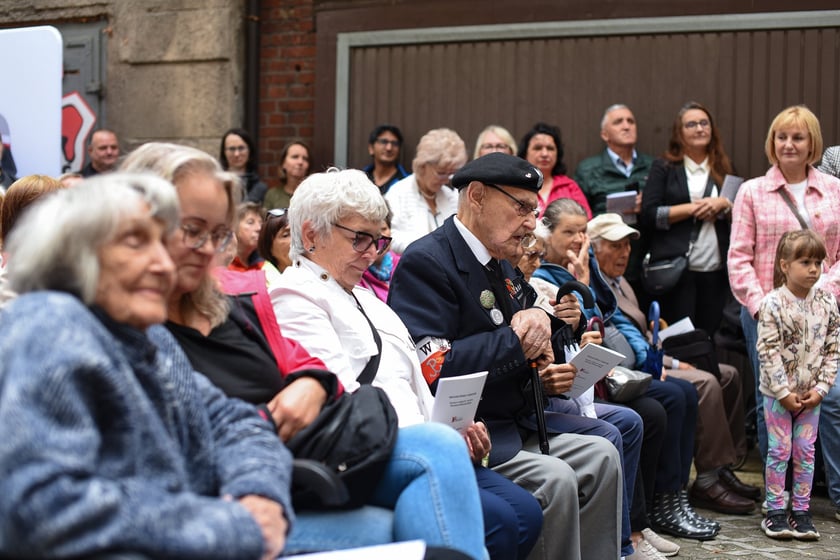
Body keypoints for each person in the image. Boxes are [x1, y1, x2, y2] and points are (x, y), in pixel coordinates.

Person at [120, 142, 488, 558]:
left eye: (219, 234)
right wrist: (253, 493)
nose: (208, 248)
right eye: (192, 230)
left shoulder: (227, 306)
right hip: (213, 504)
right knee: (437, 494)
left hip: (279, 470)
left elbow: (266, 396)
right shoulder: (117, 327)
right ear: (135, 227)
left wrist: (311, 382)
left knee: (445, 474)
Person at [0, 174, 291, 559]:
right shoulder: (50, 324)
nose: (163, 264)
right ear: (73, 254)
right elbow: (40, 507)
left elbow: (233, 420)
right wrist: (233, 525)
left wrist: (258, 492)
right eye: (136, 242)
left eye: (162, 242)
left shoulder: (145, 336)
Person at [272, 168, 544, 560]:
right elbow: (338, 399)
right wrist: (436, 439)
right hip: (362, 453)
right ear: (312, 234)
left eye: (379, 240)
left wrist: (456, 430)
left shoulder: (367, 299)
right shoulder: (294, 294)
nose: (371, 252)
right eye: (359, 239)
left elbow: (415, 383)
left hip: (415, 442)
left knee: (524, 512)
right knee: (500, 516)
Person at [389, 152, 624, 560]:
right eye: (521, 208)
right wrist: (516, 340)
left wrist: (542, 322)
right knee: (557, 479)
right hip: (476, 432)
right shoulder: (428, 262)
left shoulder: (501, 261)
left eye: (533, 210)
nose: (532, 223)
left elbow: (537, 317)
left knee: (603, 455)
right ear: (477, 196)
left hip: (519, 419)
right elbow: (434, 366)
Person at [530, 199, 721, 542]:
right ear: (547, 235)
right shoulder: (543, 281)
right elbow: (588, 337)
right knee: (651, 410)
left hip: (592, 382)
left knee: (675, 397)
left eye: (582, 232)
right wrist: (583, 286)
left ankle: (659, 510)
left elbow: (596, 331)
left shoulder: (594, 276)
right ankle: (635, 526)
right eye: (569, 231)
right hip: (568, 391)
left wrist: (585, 283)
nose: (577, 239)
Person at [586, 212, 759, 515]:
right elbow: (627, 351)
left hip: (652, 354)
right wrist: (675, 364)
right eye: (615, 246)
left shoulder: (621, 282)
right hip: (636, 368)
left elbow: (642, 338)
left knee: (729, 375)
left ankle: (723, 465)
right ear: (593, 249)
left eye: (627, 245)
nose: (624, 253)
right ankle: (706, 478)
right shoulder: (594, 285)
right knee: (703, 383)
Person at [519, 222, 671, 559]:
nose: (534, 261)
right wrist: (564, 340)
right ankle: (619, 544)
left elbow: (570, 340)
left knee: (632, 421)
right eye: (531, 254)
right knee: (611, 430)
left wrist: (574, 332)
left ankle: (629, 530)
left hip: (562, 395)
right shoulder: (512, 288)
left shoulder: (538, 288)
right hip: (533, 406)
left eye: (540, 255)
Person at [728, 105, 840, 516]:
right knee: (773, 399)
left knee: (822, 396)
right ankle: (778, 497)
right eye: (781, 137)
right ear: (771, 142)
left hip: (823, 314)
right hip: (765, 314)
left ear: (813, 143)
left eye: (798, 137)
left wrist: (819, 293)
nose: (789, 145)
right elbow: (739, 257)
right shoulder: (752, 191)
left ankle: (820, 495)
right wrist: (761, 306)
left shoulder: (833, 189)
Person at [757, 229, 839, 540]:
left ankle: (801, 512)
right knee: (780, 450)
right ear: (784, 265)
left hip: (811, 398)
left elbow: (834, 348)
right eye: (805, 262)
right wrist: (783, 392)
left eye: (818, 262)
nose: (813, 269)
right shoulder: (773, 304)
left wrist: (821, 389)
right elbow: (767, 351)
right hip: (779, 396)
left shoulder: (827, 303)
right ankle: (776, 510)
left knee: (805, 451)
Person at [639, 101, 734, 335]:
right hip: (676, 271)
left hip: (714, 268)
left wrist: (724, 204)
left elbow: (739, 217)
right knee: (678, 338)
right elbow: (650, 215)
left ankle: (706, 374)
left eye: (704, 123)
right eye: (691, 124)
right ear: (679, 132)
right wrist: (693, 208)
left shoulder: (723, 168)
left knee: (708, 337)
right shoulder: (664, 167)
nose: (699, 128)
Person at [385, 128, 467, 254]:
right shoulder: (398, 194)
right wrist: (430, 250)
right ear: (423, 165)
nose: (446, 181)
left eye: (451, 174)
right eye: (441, 173)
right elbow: (390, 238)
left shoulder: (450, 196)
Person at [574, 104, 655, 218]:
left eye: (631, 121)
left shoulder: (653, 165)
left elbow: (665, 209)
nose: (627, 126)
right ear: (605, 135)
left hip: (647, 232)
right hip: (604, 233)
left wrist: (648, 203)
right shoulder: (587, 169)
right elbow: (578, 214)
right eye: (618, 122)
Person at [518, 122, 591, 219]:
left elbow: (586, 221)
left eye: (550, 148)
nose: (545, 154)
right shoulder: (516, 185)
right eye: (538, 148)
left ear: (558, 154)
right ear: (525, 154)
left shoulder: (569, 186)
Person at [359, 206, 400, 302]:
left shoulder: (403, 264)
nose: (379, 237)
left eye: (383, 229)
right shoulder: (356, 273)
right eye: (369, 232)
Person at [219, 128, 268, 204]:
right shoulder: (216, 183)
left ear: (250, 150)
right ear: (224, 152)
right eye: (232, 149)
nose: (237, 154)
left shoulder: (259, 187)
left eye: (241, 148)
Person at [363, 124, 410, 193]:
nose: (389, 148)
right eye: (384, 142)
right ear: (371, 148)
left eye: (394, 143)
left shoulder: (407, 182)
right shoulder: (361, 178)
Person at [264, 140, 310, 210]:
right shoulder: (272, 195)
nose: (300, 162)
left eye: (305, 159)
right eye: (295, 157)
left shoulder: (312, 195)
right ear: (283, 163)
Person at [257, 207, 292, 290]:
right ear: (269, 247)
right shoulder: (265, 283)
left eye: (297, 232)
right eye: (286, 235)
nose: (296, 239)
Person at [228, 201, 265, 272]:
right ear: (234, 227)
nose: (259, 228)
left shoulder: (263, 265)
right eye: (250, 222)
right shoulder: (222, 264)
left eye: (261, 223)